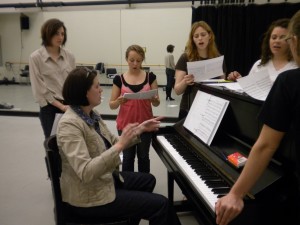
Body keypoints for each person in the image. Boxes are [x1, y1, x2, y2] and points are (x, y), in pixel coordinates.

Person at [56, 67, 181, 225]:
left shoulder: (91, 115)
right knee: (161, 205)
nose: (101, 90)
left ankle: (128, 220)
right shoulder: (69, 124)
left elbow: (114, 142)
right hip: (88, 197)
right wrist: (120, 146)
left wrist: (140, 129)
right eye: (96, 86)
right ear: (84, 92)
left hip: (102, 180)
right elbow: (85, 172)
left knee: (148, 180)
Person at [215, 10, 300, 225]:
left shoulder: (290, 77)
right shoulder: (259, 65)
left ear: (294, 42)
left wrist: (235, 194)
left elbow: (266, 145)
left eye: (285, 37)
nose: (279, 41)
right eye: (274, 37)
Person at [109, 44, 160, 173]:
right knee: (128, 157)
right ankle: (129, 187)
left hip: (145, 124)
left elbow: (157, 103)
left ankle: (144, 187)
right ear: (127, 59)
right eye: (131, 60)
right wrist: (118, 101)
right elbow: (111, 104)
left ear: (142, 60)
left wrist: (154, 99)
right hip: (126, 125)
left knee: (143, 157)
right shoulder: (119, 79)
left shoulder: (150, 77)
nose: (135, 63)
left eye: (138, 60)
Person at [29, 18, 76, 139]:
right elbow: (39, 89)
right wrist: (61, 107)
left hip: (70, 105)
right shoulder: (36, 57)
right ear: (47, 33)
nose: (60, 37)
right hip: (49, 108)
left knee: (71, 142)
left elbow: (74, 82)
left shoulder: (69, 56)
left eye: (62, 33)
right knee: (53, 145)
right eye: (56, 33)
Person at [174, 21, 225, 120]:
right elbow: (177, 90)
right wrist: (185, 81)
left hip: (211, 109)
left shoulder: (218, 58)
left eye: (203, 34)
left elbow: (223, 85)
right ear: (192, 39)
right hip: (189, 107)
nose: (200, 38)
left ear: (209, 35)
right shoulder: (185, 57)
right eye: (196, 36)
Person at [227, 18, 297, 82]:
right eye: (274, 37)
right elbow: (249, 89)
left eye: (282, 37)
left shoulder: (296, 66)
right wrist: (239, 80)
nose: (277, 41)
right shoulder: (259, 64)